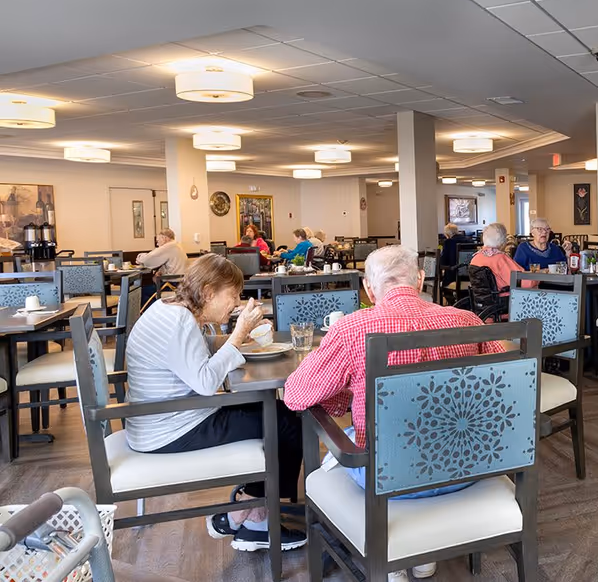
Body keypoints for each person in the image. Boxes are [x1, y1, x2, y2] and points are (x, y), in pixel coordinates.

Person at [284, 245, 505, 582]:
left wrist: (348, 392)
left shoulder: (352, 329)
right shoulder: (467, 321)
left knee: (347, 451)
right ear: (419, 280)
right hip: (466, 468)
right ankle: (420, 551)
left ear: (369, 289)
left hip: (391, 480)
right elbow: (502, 387)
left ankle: (398, 557)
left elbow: (297, 395)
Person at [125, 254, 306, 551]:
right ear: (209, 292)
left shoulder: (167, 308)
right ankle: (256, 520)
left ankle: (244, 515)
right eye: (232, 295)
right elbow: (207, 382)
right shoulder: (179, 322)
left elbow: (194, 353)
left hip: (161, 418)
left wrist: (242, 336)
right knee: (285, 422)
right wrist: (236, 336)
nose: (236, 303)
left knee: (277, 414)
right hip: (171, 427)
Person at [469, 223, 535, 293]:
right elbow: (523, 282)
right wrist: (538, 278)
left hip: (482, 301)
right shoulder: (500, 258)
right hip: (504, 299)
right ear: (502, 241)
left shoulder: (475, 258)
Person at [136, 228, 189, 307]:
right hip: (180, 283)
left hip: (172, 284)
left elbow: (148, 259)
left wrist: (139, 257)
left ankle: (154, 314)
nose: (157, 244)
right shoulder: (176, 245)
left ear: (164, 238)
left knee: (141, 292)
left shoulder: (169, 246)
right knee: (147, 290)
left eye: (158, 241)